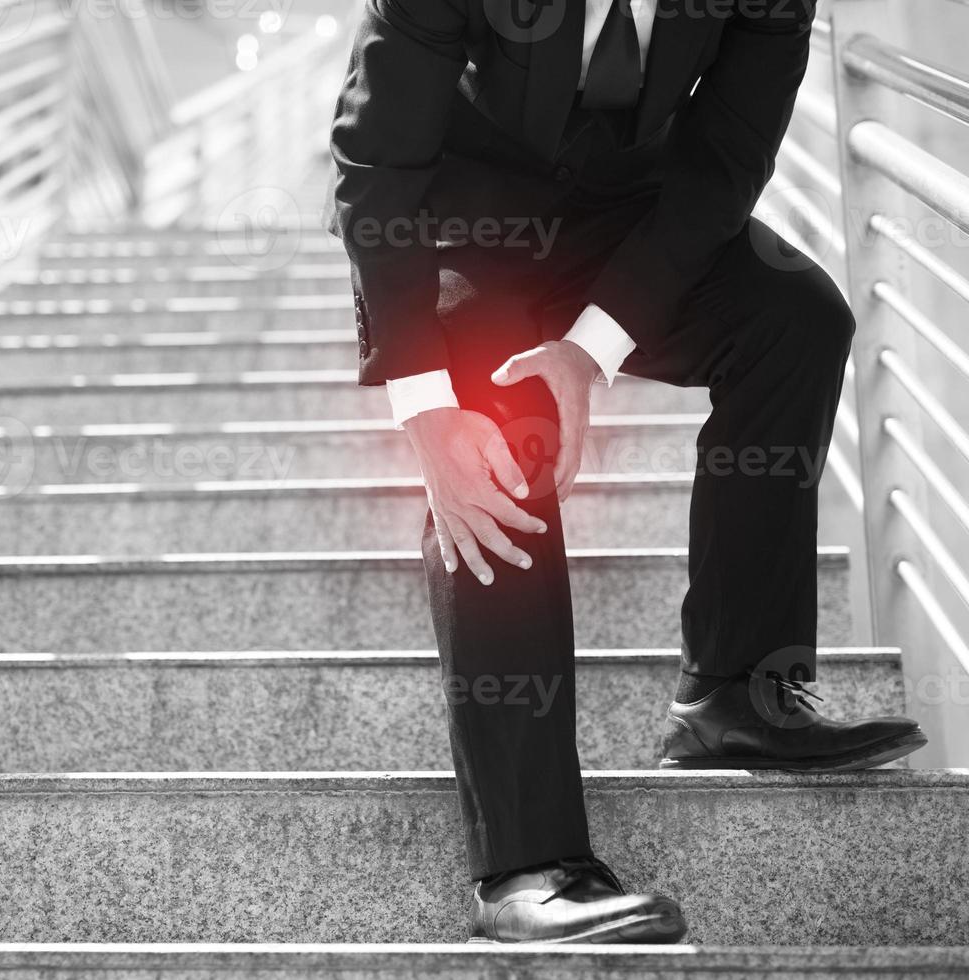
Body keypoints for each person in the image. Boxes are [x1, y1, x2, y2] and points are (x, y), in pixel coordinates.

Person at [326, 0, 926, 944]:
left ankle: (732, 695)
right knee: (502, 424)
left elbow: (722, 164)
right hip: (467, 223)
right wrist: (427, 406)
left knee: (797, 317)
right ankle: (526, 864)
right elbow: (380, 161)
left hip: (625, 222)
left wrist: (590, 348)